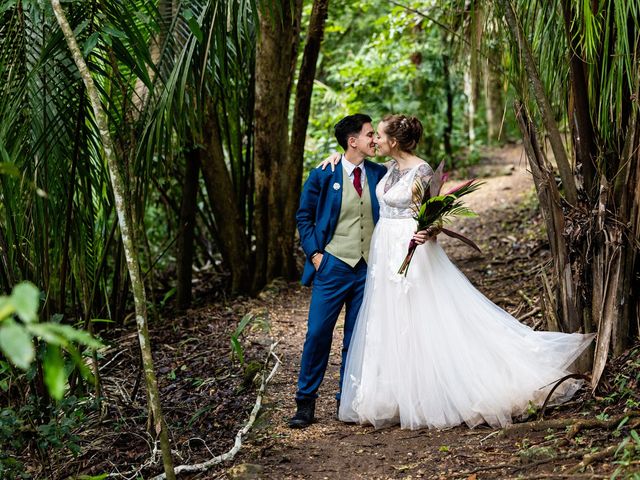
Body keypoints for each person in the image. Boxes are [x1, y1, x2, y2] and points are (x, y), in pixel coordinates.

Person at [325, 114, 595, 430]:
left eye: (379, 137)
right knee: (392, 318)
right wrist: (336, 156)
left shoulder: (423, 171)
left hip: (413, 249)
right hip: (384, 249)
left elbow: (435, 217)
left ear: (393, 141)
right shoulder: (385, 170)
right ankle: (397, 393)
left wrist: (429, 232)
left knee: (423, 316)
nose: (375, 141)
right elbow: (353, 167)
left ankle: (434, 393)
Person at [290, 113, 429, 429]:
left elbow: (412, 184)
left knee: (359, 336)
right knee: (317, 334)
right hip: (333, 265)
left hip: (370, 269)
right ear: (352, 141)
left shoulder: (382, 172)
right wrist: (315, 255)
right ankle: (305, 402)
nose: (374, 140)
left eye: (375, 135)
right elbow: (304, 216)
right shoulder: (323, 174)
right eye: (369, 135)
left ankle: (348, 399)